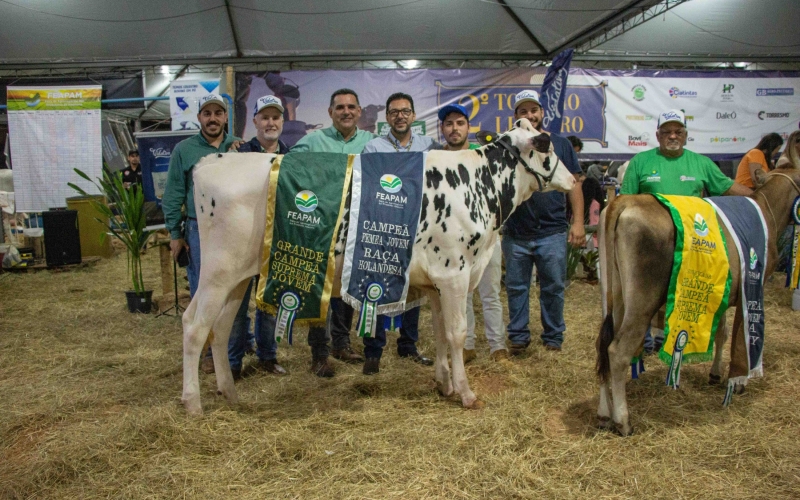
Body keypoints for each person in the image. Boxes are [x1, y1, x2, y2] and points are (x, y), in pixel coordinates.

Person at [620, 108, 752, 352]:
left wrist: (759, 199)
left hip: (690, 244)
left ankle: (672, 341)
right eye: (667, 132)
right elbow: (625, 201)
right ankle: (642, 343)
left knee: (682, 293)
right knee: (643, 294)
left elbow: (728, 188)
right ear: (657, 135)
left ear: (685, 135)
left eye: (678, 131)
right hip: (650, 244)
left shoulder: (701, 163)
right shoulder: (640, 161)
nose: (672, 136)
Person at [162, 94, 251, 379]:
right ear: (199, 117)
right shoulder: (184, 150)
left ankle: (233, 357)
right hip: (199, 229)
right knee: (205, 292)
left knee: (236, 294)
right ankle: (210, 354)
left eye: (218, 113)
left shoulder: (240, 146)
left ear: (226, 117)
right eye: (207, 113)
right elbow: (174, 193)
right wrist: (175, 233)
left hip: (236, 229)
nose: (213, 118)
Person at [290, 89, 377, 377]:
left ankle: (342, 343)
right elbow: (288, 165)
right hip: (321, 225)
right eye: (340, 107)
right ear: (330, 112)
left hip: (356, 223)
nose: (346, 111)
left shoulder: (371, 142)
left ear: (359, 111)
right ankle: (319, 353)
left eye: (351, 107)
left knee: (348, 283)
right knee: (321, 288)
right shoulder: (313, 140)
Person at [358, 93, 438, 374]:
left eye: (405, 111)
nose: (400, 116)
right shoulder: (373, 147)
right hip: (383, 227)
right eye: (394, 112)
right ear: (387, 117)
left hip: (417, 227)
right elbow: (367, 186)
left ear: (413, 115)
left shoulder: (430, 146)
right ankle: (373, 352)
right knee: (374, 286)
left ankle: (408, 346)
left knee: (412, 286)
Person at [502, 90, 585, 354]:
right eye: (523, 111)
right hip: (516, 230)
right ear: (516, 116)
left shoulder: (560, 144)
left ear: (542, 112)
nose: (530, 115)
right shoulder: (509, 144)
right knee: (516, 287)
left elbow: (574, 184)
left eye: (533, 110)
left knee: (553, 287)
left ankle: (553, 337)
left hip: (552, 230)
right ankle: (518, 336)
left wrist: (578, 223)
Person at [437, 103, 508, 363]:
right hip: (451, 240)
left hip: (486, 236)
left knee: (490, 292)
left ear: (468, 127)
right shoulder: (436, 158)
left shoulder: (483, 155)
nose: (454, 129)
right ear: (442, 129)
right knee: (460, 294)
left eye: (459, 123)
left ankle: (497, 346)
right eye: (449, 124)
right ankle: (466, 346)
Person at [227, 95, 290, 376]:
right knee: (236, 302)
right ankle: (233, 362)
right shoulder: (239, 155)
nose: (270, 123)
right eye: (265, 118)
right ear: (255, 121)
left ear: (282, 121)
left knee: (270, 301)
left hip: (276, 238)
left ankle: (267, 357)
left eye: (275, 117)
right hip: (243, 239)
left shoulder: (291, 156)